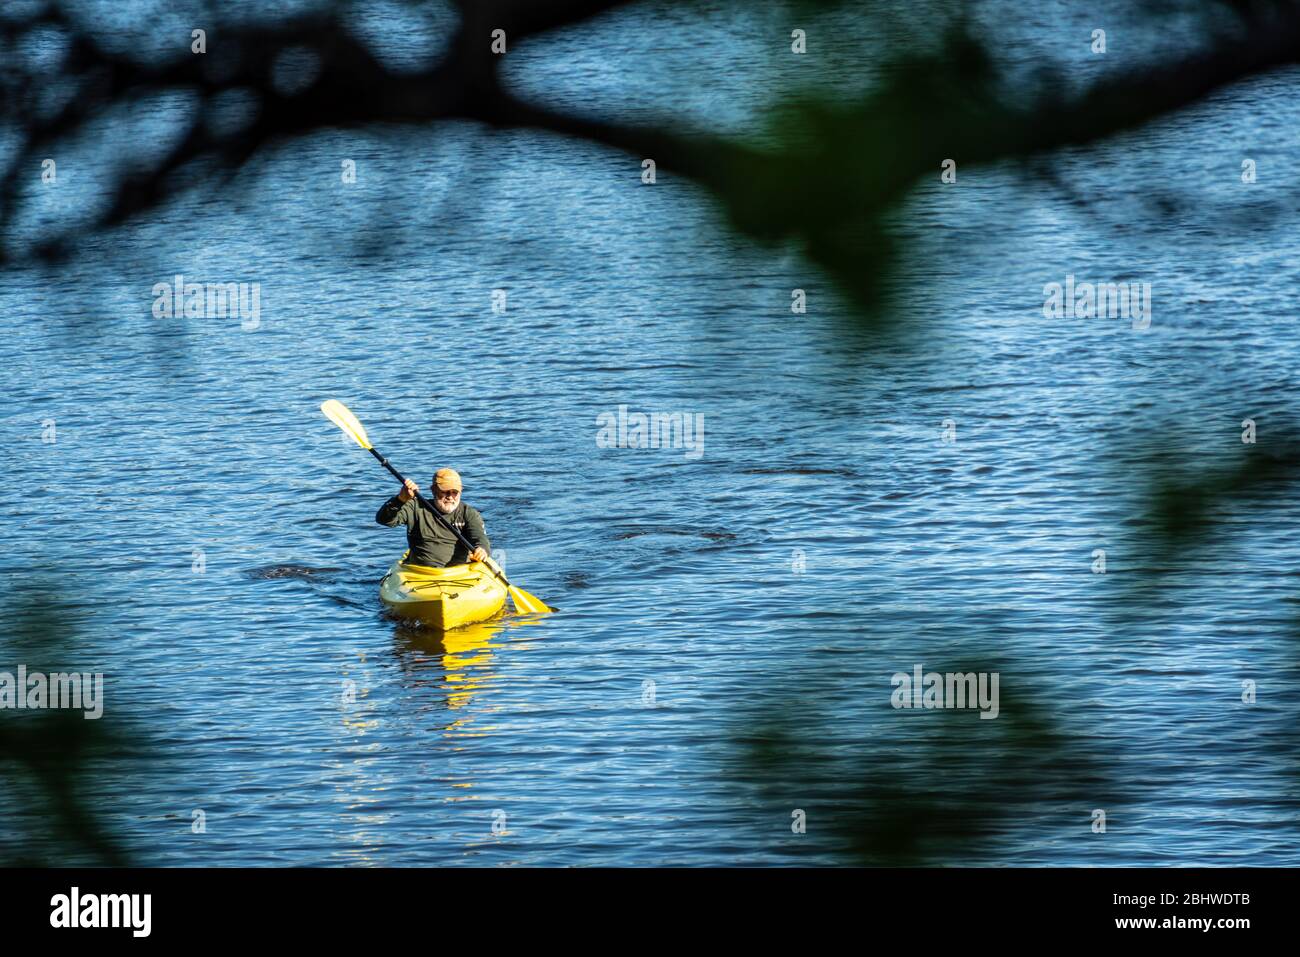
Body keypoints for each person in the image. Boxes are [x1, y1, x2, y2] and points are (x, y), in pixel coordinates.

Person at [375, 467, 491, 568]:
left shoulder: (469, 513)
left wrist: (482, 550)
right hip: (419, 572)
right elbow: (384, 520)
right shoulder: (415, 507)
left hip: (459, 572)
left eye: (454, 492)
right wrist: (400, 500)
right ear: (433, 490)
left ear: (460, 492)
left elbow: (480, 538)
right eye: (445, 491)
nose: (450, 497)